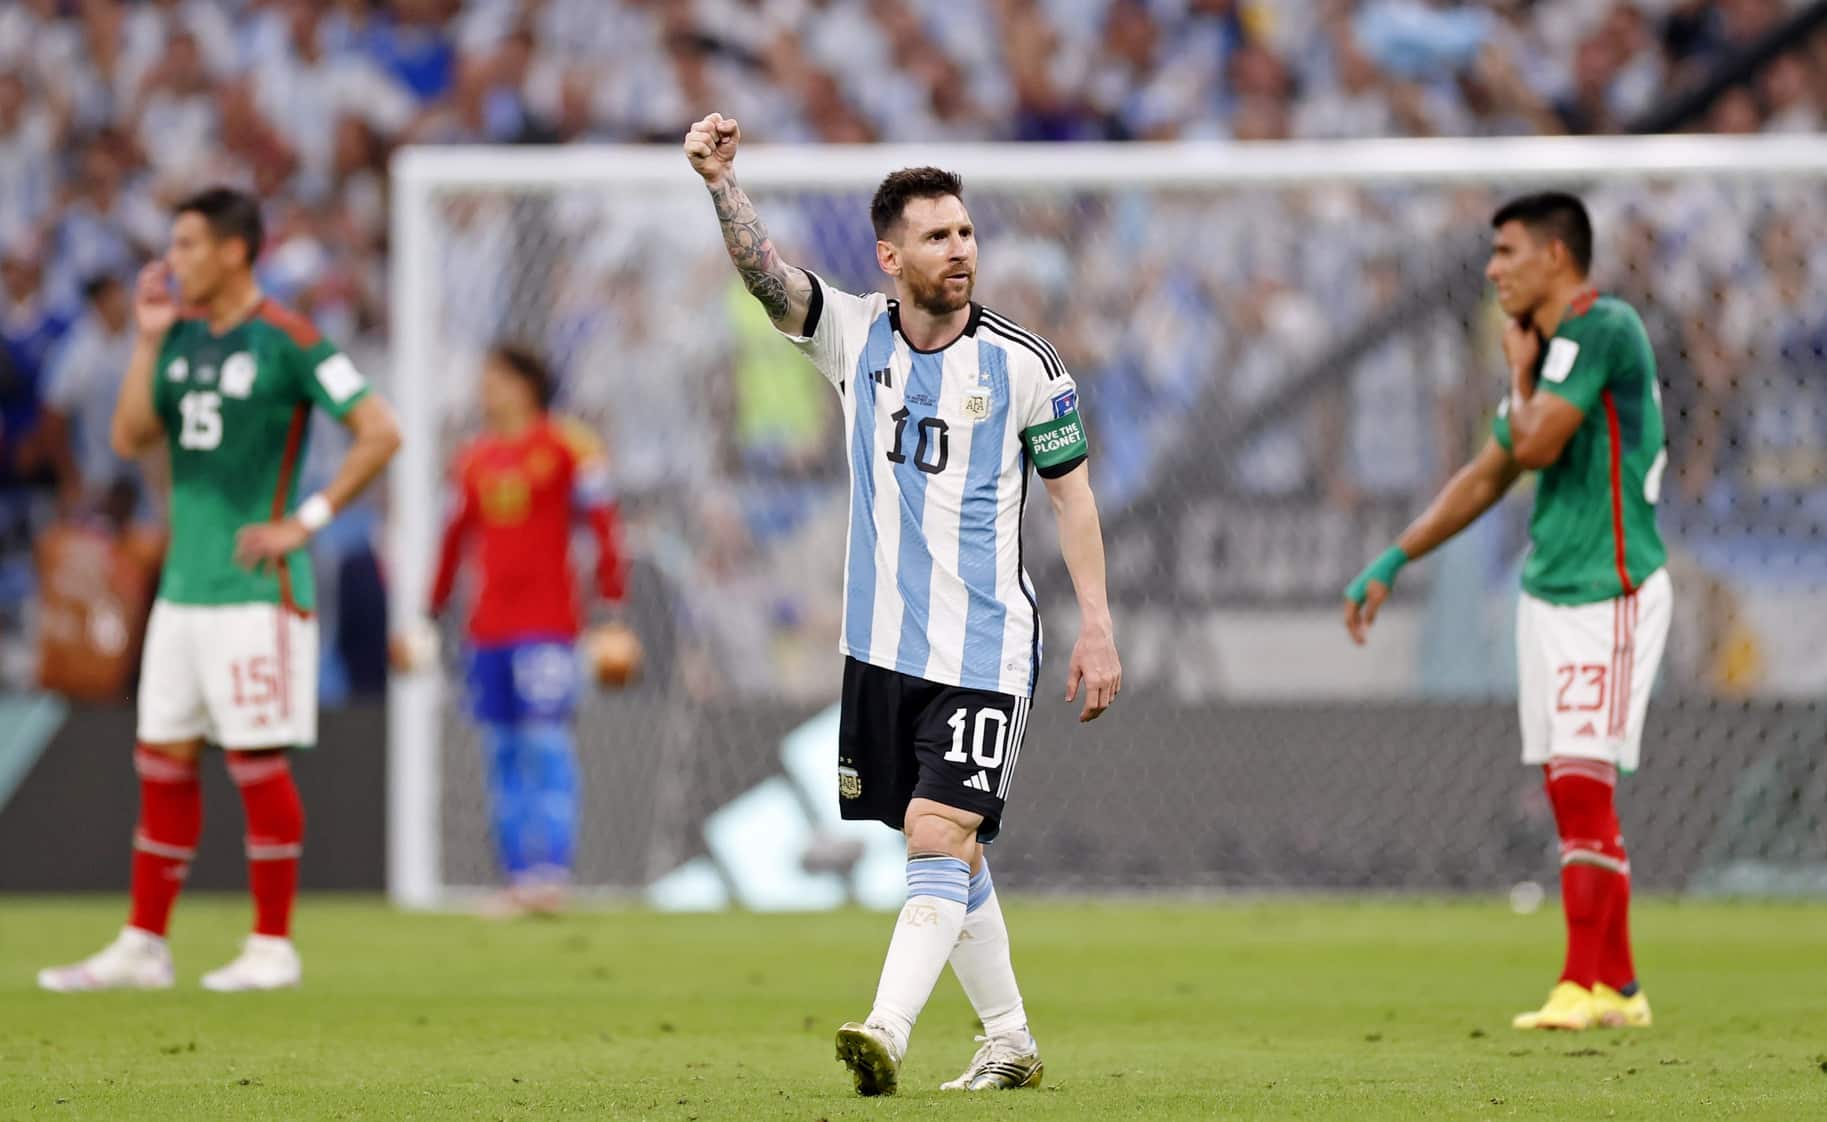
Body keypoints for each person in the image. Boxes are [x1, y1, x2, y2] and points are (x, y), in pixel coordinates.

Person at [685, 112, 1123, 1095]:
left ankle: (885, 1029)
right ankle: (1009, 1039)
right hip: (880, 649)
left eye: (966, 232)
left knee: (936, 831)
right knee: (947, 847)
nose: (959, 250)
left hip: (985, 646)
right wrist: (721, 185)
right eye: (936, 236)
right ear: (889, 256)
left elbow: (1072, 495)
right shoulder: (855, 336)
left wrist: (1095, 624)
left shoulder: (1025, 365)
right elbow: (768, 280)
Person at [37, 186, 401, 993]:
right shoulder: (179, 340)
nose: (174, 261)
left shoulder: (292, 341)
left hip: (255, 592)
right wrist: (145, 341)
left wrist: (305, 520)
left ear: (236, 250)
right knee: (161, 761)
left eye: (189, 245)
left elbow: (382, 429)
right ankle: (144, 944)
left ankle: (273, 946)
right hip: (183, 590)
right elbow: (129, 437)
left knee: (254, 763)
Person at [1344, 192, 1668, 1032]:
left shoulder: (1601, 329)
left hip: (1612, 587)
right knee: (1569, 786)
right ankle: (1621, 990)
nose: (1492, 271)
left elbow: (1532, 446)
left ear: (1555, 257)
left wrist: (1519, 369)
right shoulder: (1554, 353)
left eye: (1505, 253)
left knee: (1579, 779)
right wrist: (1395, 556)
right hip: (1551, 589)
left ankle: (1577, 982)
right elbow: (1488, 473)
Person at [425, 343, 626, 916]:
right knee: (501, 754)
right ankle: (519, 881)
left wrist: (613, 604)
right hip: (485, 629)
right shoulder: (471, 458)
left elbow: (605, 525)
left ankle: (551, 875)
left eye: (494, 377)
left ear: (524, 384)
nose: (483, 389)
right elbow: (451, 537)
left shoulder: (570, 446)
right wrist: (428, 609)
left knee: (546, 746)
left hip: (549, 628)